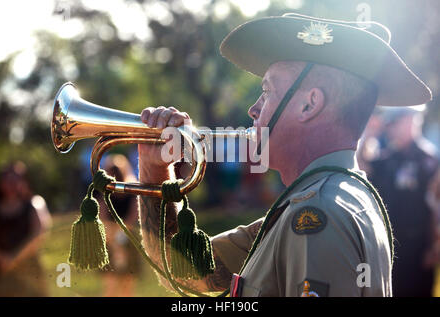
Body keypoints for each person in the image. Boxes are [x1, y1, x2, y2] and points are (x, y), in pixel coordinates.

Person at [136, 14, 432, 296]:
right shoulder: (313, 201)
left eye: (266, 92)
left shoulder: (317, 214)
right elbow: (185, 271)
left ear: (309, 105)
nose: (253, 109)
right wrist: (154, 168)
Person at [368, 108, 439, 296]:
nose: (390, 128)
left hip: (418, 246)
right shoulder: (385, 159)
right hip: (387, 246)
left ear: (410, 120)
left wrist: (435, 245)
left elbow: (435, 207)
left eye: (395, 123)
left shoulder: (429, 160)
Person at [0, 161, 52, 296]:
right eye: (7, 179)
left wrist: (13, 258)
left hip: (28, 271)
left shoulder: (34, 203)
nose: (11, 183)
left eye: (16, 179)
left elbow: (39, 233)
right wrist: (1, 258)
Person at [96, 154, 142, 297]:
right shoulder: (104, 195)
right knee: (110, 284)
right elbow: (103, 218)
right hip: (110, 241)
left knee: (127, 284)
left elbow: (132, 218)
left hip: (128, 240)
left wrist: (120, 238)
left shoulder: (132, 193)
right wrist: (114, 241)